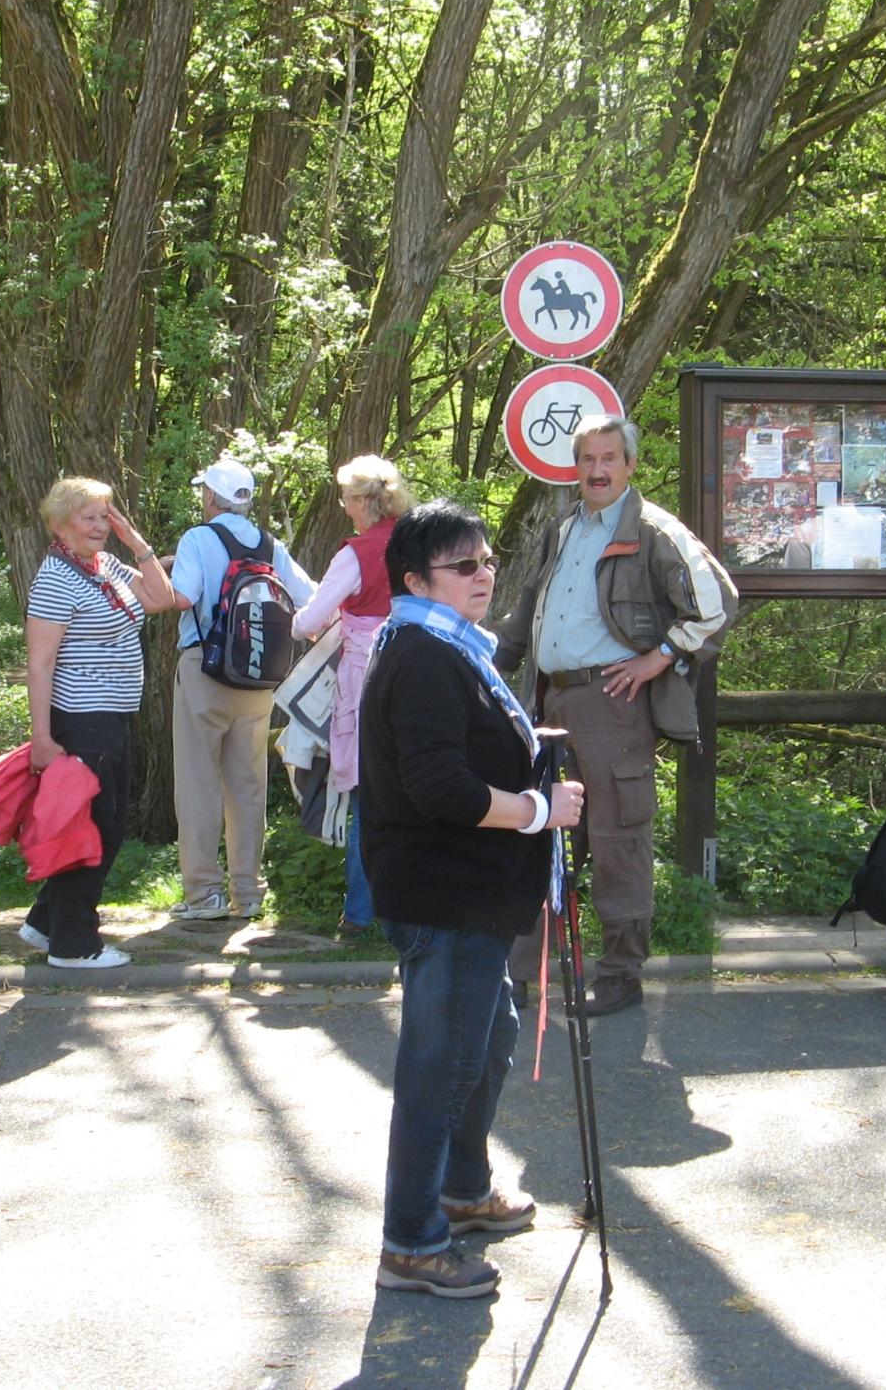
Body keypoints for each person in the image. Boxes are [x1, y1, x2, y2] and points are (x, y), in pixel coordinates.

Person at [362, 499, 585, 1298]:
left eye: (488, 558)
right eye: (465, 565)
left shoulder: (447, 646)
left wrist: (535, 749)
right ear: (418, 579)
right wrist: (536, 811)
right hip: (444, 892)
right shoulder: (424, 652)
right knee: (440, 1067)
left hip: (468, 893)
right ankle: (411, 1243)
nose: (485, 572)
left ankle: (461, 1190)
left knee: (489, 1039)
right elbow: (439, 785)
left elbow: (463, 745)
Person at [493, 414, 733, 1016]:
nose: (597, 470)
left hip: (614, 705)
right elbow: (527, 615)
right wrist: (485, 667)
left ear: (629, 465)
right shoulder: (563, 529)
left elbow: (717, 604)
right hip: (548, 702)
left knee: (617, 839)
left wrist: (658, 660)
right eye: (587, 459)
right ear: (576, 468)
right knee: (538, 832)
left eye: (609, 458)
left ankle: (621, 975)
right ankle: (523, 976)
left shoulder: (654, 529)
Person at [21, 477, 178, 969]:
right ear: (59, 524)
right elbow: (40, 664)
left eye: (105, 515)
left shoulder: (103, 565)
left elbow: (161, 598)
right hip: (80, 721)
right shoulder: (55, 578)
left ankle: (46, 924)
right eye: (88, 517)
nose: (99, 526)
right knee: (93, 829)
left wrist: (137, 543)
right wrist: (42, 737)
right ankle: (74, 945)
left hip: (112, 719)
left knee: (103, 824)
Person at [166, 456, 315, 921]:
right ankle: (247, 895)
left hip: (205, 670)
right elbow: (309, 600)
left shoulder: (198, 537)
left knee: (198, 783)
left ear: (211, 497)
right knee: (248, 787)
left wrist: (165, 571)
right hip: (258, 680)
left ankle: (203, 895)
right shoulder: (271, 545)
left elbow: (183, 597)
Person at [291, 454, 414, 937]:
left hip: (368, 674)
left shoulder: (357, 553)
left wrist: (309, 620)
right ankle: (411, 909)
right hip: (420, 669)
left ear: (364, 500)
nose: (344, 508)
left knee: (370, 797)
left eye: (346, 498)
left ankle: (362, 915)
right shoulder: (419, 540)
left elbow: (308, 621)